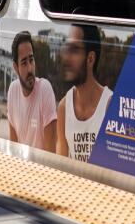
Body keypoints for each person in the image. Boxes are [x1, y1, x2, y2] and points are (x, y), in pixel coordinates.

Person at [55, 23, 113, 161]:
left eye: (74, 50)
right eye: (66, 49)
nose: (66, 58)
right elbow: (60, 166)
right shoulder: (63, 107)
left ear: (90, 58)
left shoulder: (110, 106)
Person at [7, 31, 57, 151]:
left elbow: (51, 154)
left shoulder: (44, 90)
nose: (30, 68)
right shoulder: (13, 91)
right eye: (24, 63)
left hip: (41, 169)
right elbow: (13, 147)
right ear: (15, 67)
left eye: (31, 60)